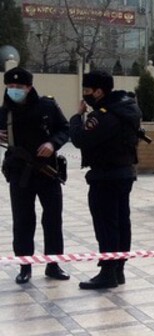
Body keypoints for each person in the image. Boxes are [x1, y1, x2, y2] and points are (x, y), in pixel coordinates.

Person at [69, 70, 141, 290]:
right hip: (123, 173)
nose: (85, 95)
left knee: (106, 224)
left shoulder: (105, 115)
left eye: (87, 91)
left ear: (99, 91)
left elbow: (80, 139)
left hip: (106, 176)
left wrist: (76, 117)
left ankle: (108, 272)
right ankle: (118, 270)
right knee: (121, 222)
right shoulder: (126, 107)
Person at [0, 67, 70, 284]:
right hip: (19, 173)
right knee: (22, 221)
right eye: (10, 87)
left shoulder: (47, 106)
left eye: (19, 87)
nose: (14, 90)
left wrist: (52, 143)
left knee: (52, 219)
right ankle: (25, 266)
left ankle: (53, 264)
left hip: (46, 171)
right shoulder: (4, 111)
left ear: (29, 87)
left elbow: (65, 129)